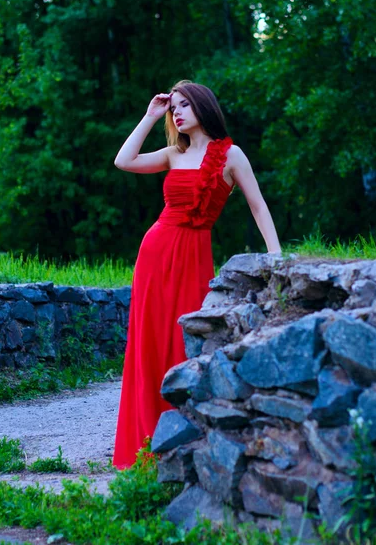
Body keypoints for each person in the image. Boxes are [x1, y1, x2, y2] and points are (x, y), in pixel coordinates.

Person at [112, 80, 281, 469]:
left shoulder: (231, 155)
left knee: (185, 342)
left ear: (203, 108)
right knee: (150, 341)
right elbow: (124, 161)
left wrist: (276, 255)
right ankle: (145, 445)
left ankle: (184, 440)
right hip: (155, 253)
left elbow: (258, 206)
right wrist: (151, 115)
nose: (178, 112)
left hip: (194, 256)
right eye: (174, 108)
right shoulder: (174, 153)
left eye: (185, 105)